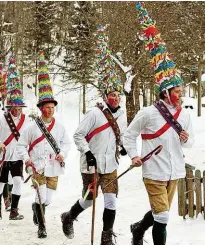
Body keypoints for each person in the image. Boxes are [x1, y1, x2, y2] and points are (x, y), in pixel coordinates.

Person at [123, 3, 194, 245]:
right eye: (177, 90)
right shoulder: (147, 113)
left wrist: (186, 139)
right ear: (165, 92)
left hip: (174, 172)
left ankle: (138, 227)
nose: (180, 94)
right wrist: (133, 155)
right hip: (153, 171)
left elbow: (190, 142)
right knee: (163, 215)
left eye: (181, 90)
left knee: (159, 214)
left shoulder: (184, 115)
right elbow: (128, 136)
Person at [61, 26, 127, 245]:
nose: (115, 98)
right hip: (92, 164)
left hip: (110, 164)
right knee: (90, 200)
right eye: (112, 95)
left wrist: (123, 145)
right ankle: (69, 216)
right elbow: (78, 135)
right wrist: (87, 152)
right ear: (105, 96)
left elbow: (122, 134)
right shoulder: (94, 113)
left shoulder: (123, 115)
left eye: (117, 94)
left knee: (111, 201)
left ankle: (106, 237)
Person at [16, 51, 71, 239]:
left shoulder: (60, 126)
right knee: (40, 195)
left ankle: (36, 209)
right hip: (38, 166)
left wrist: (62, 154)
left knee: (47, 199)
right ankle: (42, 226)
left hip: (54, 167)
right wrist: (27, 159)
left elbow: (66, 143)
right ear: (41, 109)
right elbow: (21, 145)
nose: (50, 109)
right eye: (47, 107)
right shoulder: (31, 127)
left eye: (52, 107)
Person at [0, 56, 30, 221]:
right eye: (13, 106)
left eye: (19, 106)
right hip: (3, 156)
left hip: (18, 156)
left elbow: (29, 138)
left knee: (18, 182)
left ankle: (14, 210)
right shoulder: (1, 118)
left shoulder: (27, 121)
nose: (16, 109)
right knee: (1, 184)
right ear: (9, 105)